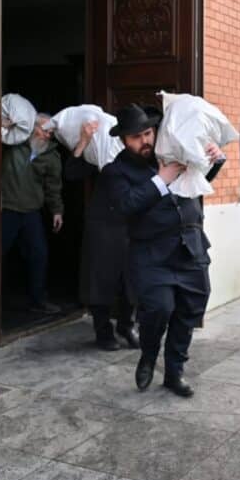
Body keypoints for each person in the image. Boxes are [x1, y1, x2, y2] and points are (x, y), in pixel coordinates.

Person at [102, 103, 225, 397]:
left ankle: (174, 372)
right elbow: (126, 205)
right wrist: (161, 180)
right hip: (150, 254)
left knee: (190, 310)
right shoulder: (115, 171)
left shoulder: (174, 152)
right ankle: (148, 354)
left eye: (147, 133)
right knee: (159, 308)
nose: (144, 141)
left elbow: (195, 183)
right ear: (123, 140)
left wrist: (214, 162)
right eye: (135, 137)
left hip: (190, 247)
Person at [64, 117, 142, 351]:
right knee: (101, 280)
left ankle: (127, 326)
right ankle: (103, 331)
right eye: (135, 136)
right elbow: (71, 173)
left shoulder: (144, 159)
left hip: (132, 226)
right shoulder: (100, 152)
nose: (141, 140)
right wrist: (84, 140)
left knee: (132, 280)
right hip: (103, 226)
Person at [1, 112, 64, 314]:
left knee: (39, 255)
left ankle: (37, 300)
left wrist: (57, 211)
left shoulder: (51, 156)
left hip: (31, 212)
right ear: (31, 127)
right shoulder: (12, 144)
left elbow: (53, 186)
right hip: (6, 209)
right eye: (44, 130)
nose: (47, 136)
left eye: (51, 132)